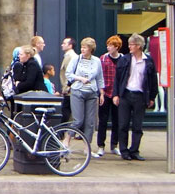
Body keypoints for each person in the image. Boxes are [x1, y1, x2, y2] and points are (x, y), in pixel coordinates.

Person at [113, 33, 158, 161]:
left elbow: (152, 79)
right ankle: (124, 151)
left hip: (140, 96)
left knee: (138, 125)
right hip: (126, 94)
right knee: (123, 124)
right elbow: (118, 79)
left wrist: (152, 97)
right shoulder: (125, 59)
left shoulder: (148, 61)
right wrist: (116, 95)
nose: (129, 47)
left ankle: (134, 150)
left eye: (131, 44)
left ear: (138, 46)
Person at [65, 37, 105, 157]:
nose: (82, 49)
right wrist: (80, 78)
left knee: (90, 122)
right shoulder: (76, 59)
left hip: (92, 92)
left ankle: (87, 147)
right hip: (77, 91)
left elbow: (99, 77)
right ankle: (66, 140)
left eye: (85, 47)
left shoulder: (97, 61)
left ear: (91, 49)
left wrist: (101, 93)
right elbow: (68, 74)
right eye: (82, 47)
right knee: (78, 120)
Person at [97, 35, 122, 157]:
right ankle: (101, 146)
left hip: (117, 94)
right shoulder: (103, 59)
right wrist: (101, 93)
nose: (108, 47)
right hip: (106, 93)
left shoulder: (123, 59)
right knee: (103, 120)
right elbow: (99, 77)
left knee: (117, 121)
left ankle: (114, 145)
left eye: (110, 45)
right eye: (107, 45)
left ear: (116, 47)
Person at [59, 37, 78, 122]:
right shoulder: (68, 56)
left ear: (70, 45)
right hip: (68, 89)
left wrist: (67, 87)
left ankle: (62, 133)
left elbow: (71, 73)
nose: (62, 45)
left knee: (66, 112)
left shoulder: (72, 57)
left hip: (70, 90)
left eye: (64, 43)